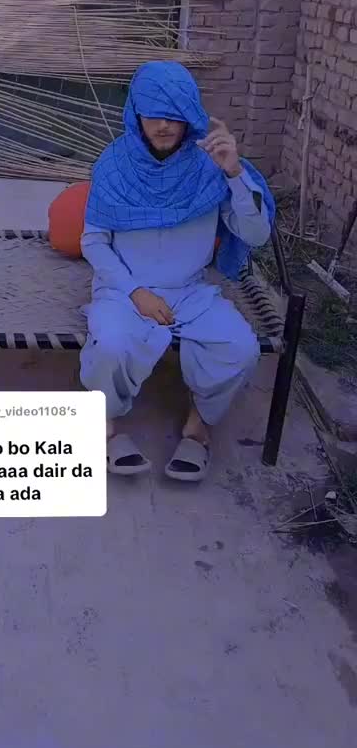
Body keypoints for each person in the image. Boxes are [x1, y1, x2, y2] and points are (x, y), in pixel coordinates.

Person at [80, 61, 275, 482]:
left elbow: (257, 234)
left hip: (190, 291)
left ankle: (198, 427)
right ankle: (106, 426)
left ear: (190, 114)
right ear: (136, 114)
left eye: (174, 113)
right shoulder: (113, 165)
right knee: (111, 345)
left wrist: (234, 172)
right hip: (124, 291)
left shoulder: (210, 167)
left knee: (240, 348)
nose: (164, 125)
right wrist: (135, 293)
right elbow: (94, 241)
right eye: (153, 113)